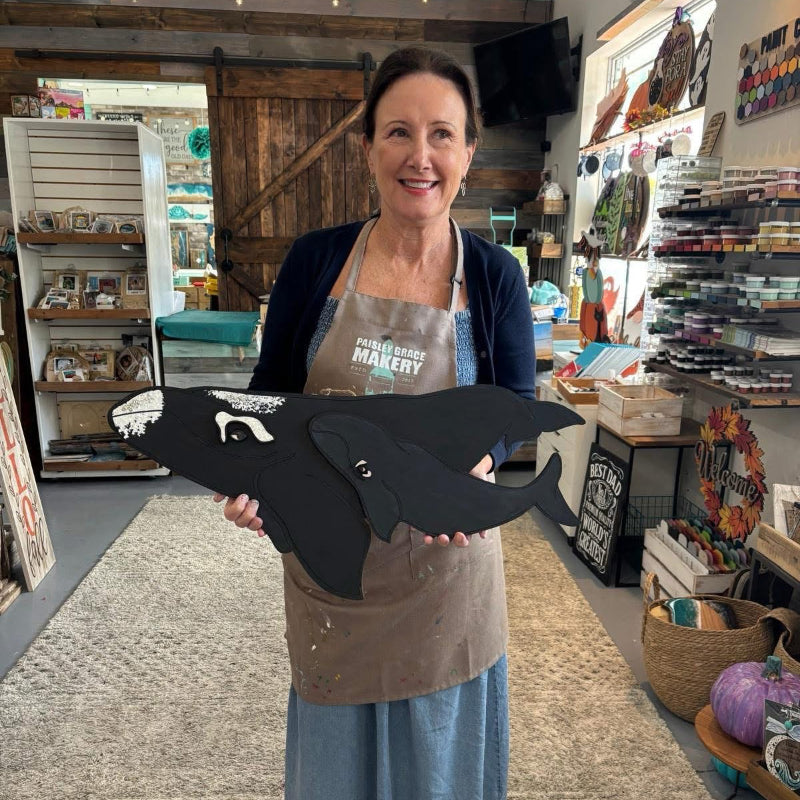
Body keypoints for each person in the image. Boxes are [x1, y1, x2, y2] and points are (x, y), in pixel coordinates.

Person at [215, 46, 536, 800]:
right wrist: (251, 476)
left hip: (446, 577)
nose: (420, 156)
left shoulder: (495, 277)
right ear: (367, 148)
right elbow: (271, 394)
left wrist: (479, 466)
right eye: (398, 132)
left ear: (468, 152)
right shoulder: (314, 262)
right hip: (333, 576)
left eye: (441, 134)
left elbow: (516, 408)